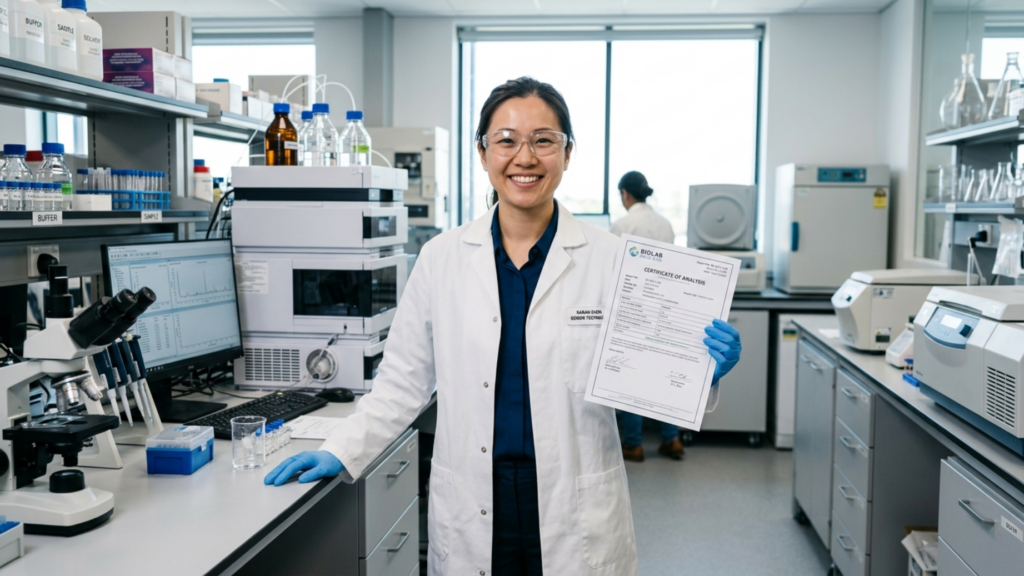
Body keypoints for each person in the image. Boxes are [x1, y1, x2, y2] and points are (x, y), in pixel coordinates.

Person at [263, 77, 742, 576]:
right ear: (483, 151)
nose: (525, 157)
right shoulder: (441, 259)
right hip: (475, 500)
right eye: (507, 140)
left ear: (567, 152)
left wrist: (701, 367)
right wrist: (341, 451)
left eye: (543, 140)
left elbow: (645, 376)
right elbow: (402, 384)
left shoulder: (613, 260)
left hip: (574, 506)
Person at [609, 171, 686, 462]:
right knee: (663, 375)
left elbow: (613, 267)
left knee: (631, 376)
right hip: (666, 306)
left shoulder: (622, 224)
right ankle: (672, 440)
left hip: (635, 306)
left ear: (625, 194)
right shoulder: (665, 223)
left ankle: (634, 444)